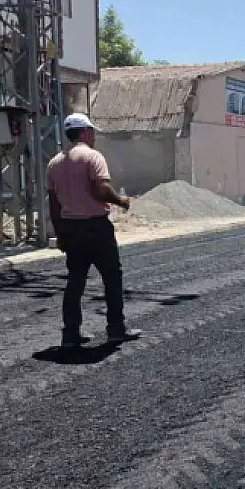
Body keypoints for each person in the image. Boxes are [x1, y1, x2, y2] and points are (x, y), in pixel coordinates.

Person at [47, 113, 141, 348]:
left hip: (70, 228)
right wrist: (121, 201)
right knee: (112, 278)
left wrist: (60, 234)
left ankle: (70, 335)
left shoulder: (54, 163)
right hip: (96, 228)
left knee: (75, 281)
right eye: (92, 132)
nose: (95, 136)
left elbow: (54, 205)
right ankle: (116, 330)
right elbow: (101, 189)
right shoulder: (92, 157)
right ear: (85, 132)